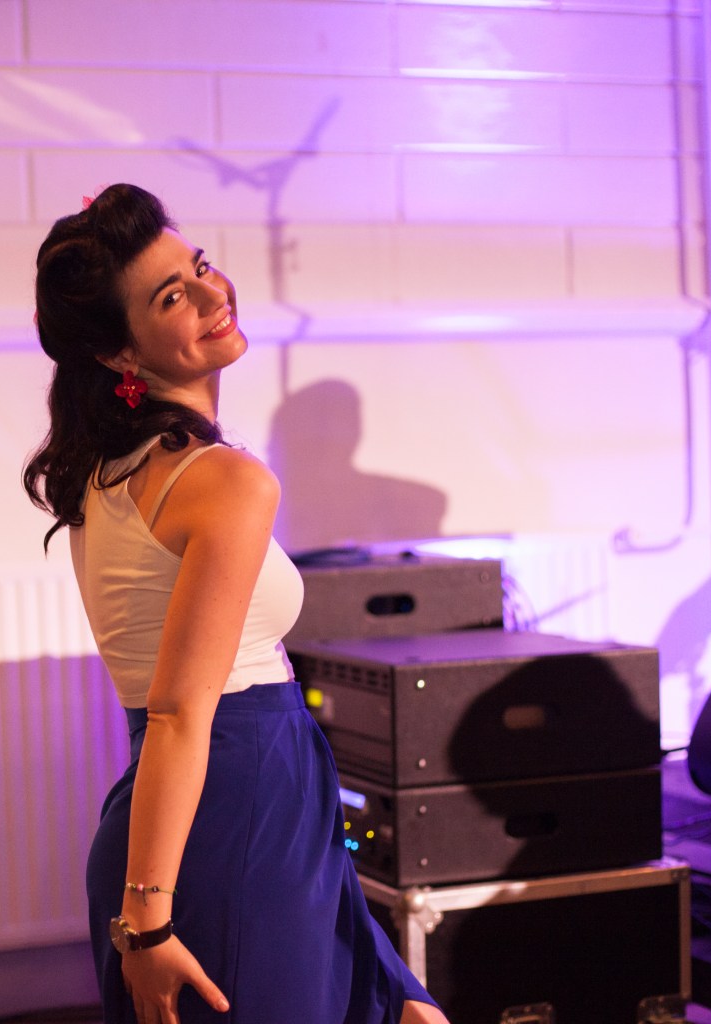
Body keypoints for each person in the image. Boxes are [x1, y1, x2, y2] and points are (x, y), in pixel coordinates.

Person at [23, 184, 448, 1024]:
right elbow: (182, 713)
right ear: (121, 355)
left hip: (242, 817)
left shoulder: (104, 473)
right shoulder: (222, 481)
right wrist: (147, 923)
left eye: (200, 266)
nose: (212, 292)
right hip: (234, 820)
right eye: (171, 296)